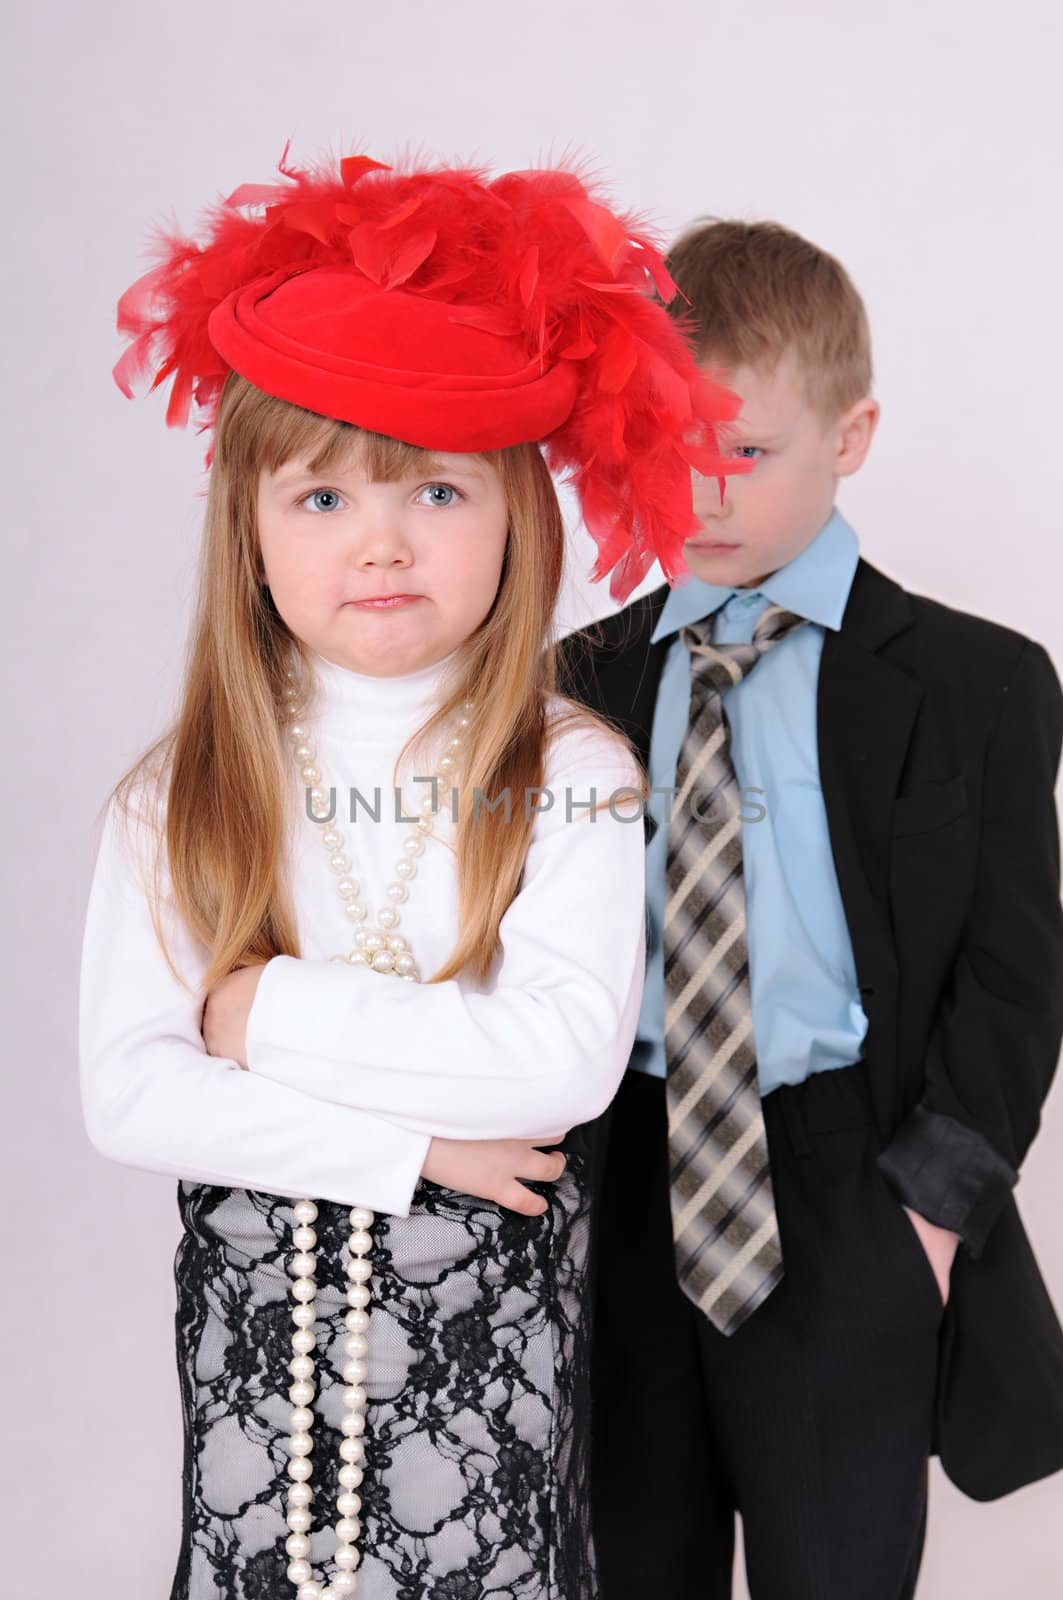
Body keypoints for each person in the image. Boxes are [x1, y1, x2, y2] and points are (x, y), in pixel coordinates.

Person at [77, 147, 749, 1600]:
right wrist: (414, 1155)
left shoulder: (571, 770)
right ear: (249, 537)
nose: (380, 542)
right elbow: (129, 1093)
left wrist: (262, 1019)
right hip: (263, 1383)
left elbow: (557, 1060)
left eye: (435, 494)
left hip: (479, 1378)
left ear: (518, 518)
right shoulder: (176, 792)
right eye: (322, 501)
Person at [559, 219, 1063, 1598]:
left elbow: (1016, 978)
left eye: (745, 449)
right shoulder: (575, 684)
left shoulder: (978, 682)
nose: (701, 490)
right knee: (629, 1557)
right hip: (628, 1181)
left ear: (853, 433)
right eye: (665, 446)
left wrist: (932, 1217)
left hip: (848, 1178)